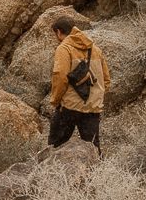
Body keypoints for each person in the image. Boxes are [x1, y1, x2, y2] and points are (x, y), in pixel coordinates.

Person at [46, 14, 108, 148]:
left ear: (58, 32)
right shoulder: (95, 49)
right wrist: (94, 98)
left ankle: (52, 170)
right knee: (93, 149)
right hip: (92, 107)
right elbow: (106, 79)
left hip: (70, 106)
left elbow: (60, 78)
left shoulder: (64, 48)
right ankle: (97, 170)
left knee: (54, 147)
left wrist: (56, 100)